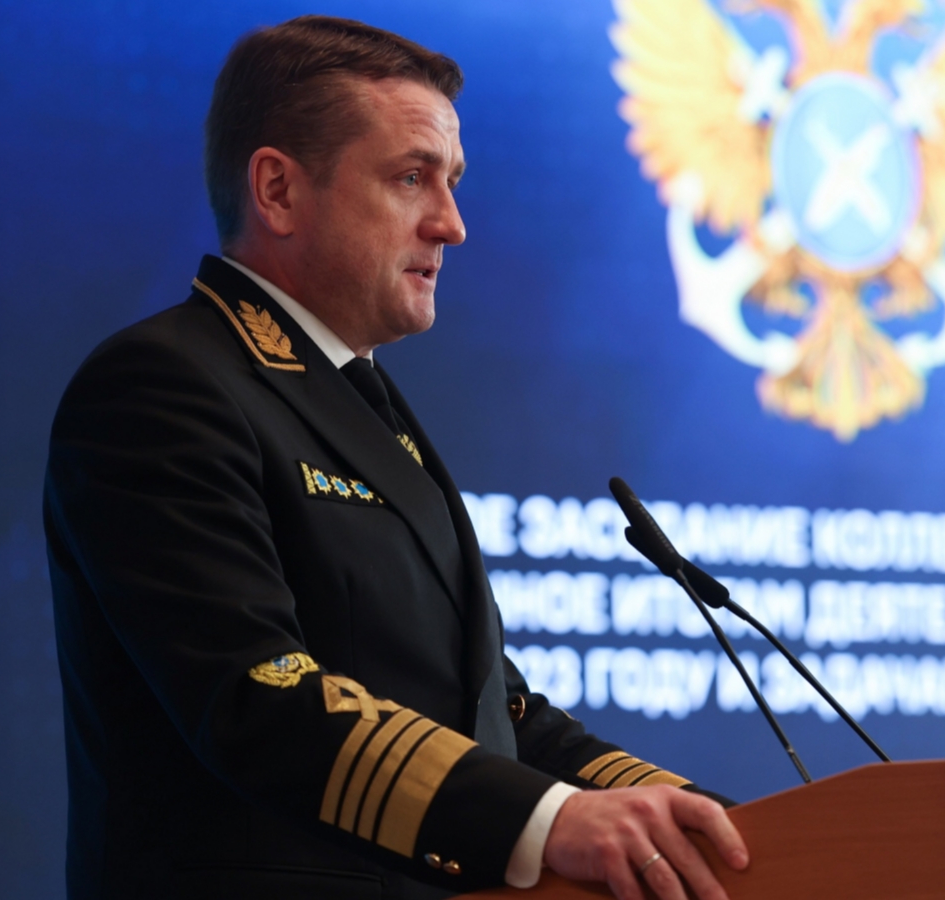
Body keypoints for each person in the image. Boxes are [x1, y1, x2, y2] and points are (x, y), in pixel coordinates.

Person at [43, 15, 747, 900]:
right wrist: (546, 822)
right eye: (411, 178)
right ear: (278, 190)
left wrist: (718, 825)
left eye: (450, 182)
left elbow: (497, 715)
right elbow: (258, 697)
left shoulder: (363, 406)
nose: (451, 224)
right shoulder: (164, 385)